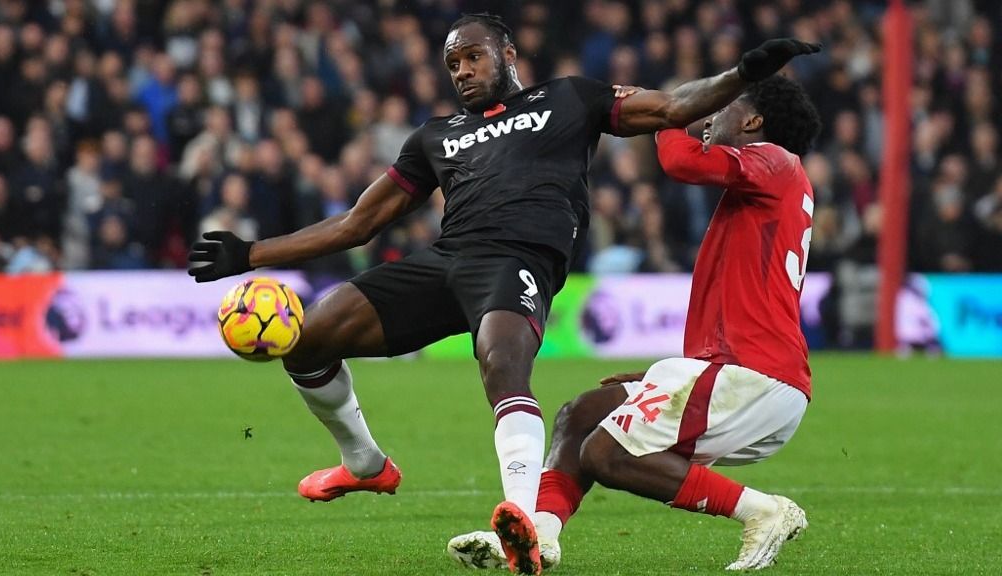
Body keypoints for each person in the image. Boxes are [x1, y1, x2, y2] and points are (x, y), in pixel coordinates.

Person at [188, 12, 819, 575]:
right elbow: (358, 223)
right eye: (452, 63)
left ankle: (517, 519)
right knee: (308, 339)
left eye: (474, 56)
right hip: (447, 259)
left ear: (508, 54)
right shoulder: (435, 138)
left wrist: (739, 74)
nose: (462, 70)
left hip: (519, 259)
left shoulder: (570, 99)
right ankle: (366, 464)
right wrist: (251, 253)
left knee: (502, 364)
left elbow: (675, 109)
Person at [448, 74, 823, 572]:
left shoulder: (776, 160)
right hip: (734, 369)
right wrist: (674, 377)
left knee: (607, 453)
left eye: (723, 107)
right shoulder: (764, 183)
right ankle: (542, 535)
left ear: (754, 121)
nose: (709, 115)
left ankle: (763, 511)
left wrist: (669, 111)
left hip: (755, 375)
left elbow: (679, 160)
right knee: (580, 415)